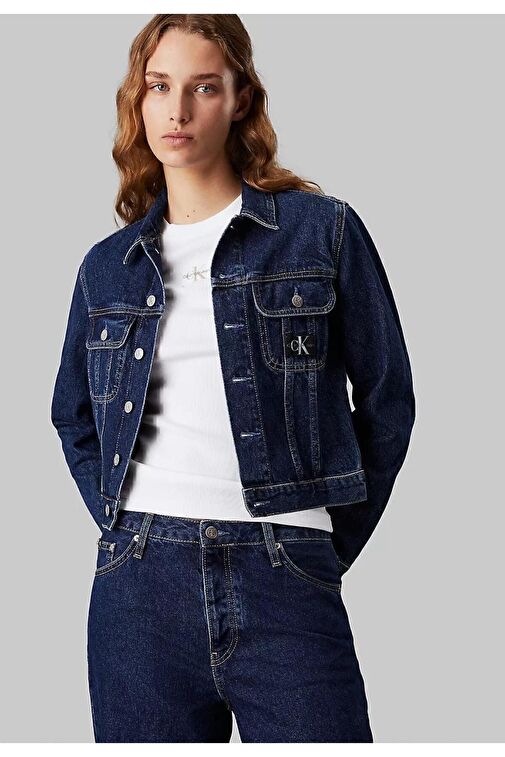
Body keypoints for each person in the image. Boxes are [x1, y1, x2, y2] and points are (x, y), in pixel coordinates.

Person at [50, 14, 415, 743]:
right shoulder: (107, 266)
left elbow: (387, 399)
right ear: (138, 100)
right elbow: (74, 414)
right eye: (159, 87)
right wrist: (122, 523)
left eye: (203, 87)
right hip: (138, 590)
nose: (177, 111)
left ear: (240, 98)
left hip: (286, 571)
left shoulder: (321, 231)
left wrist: (320, 542)